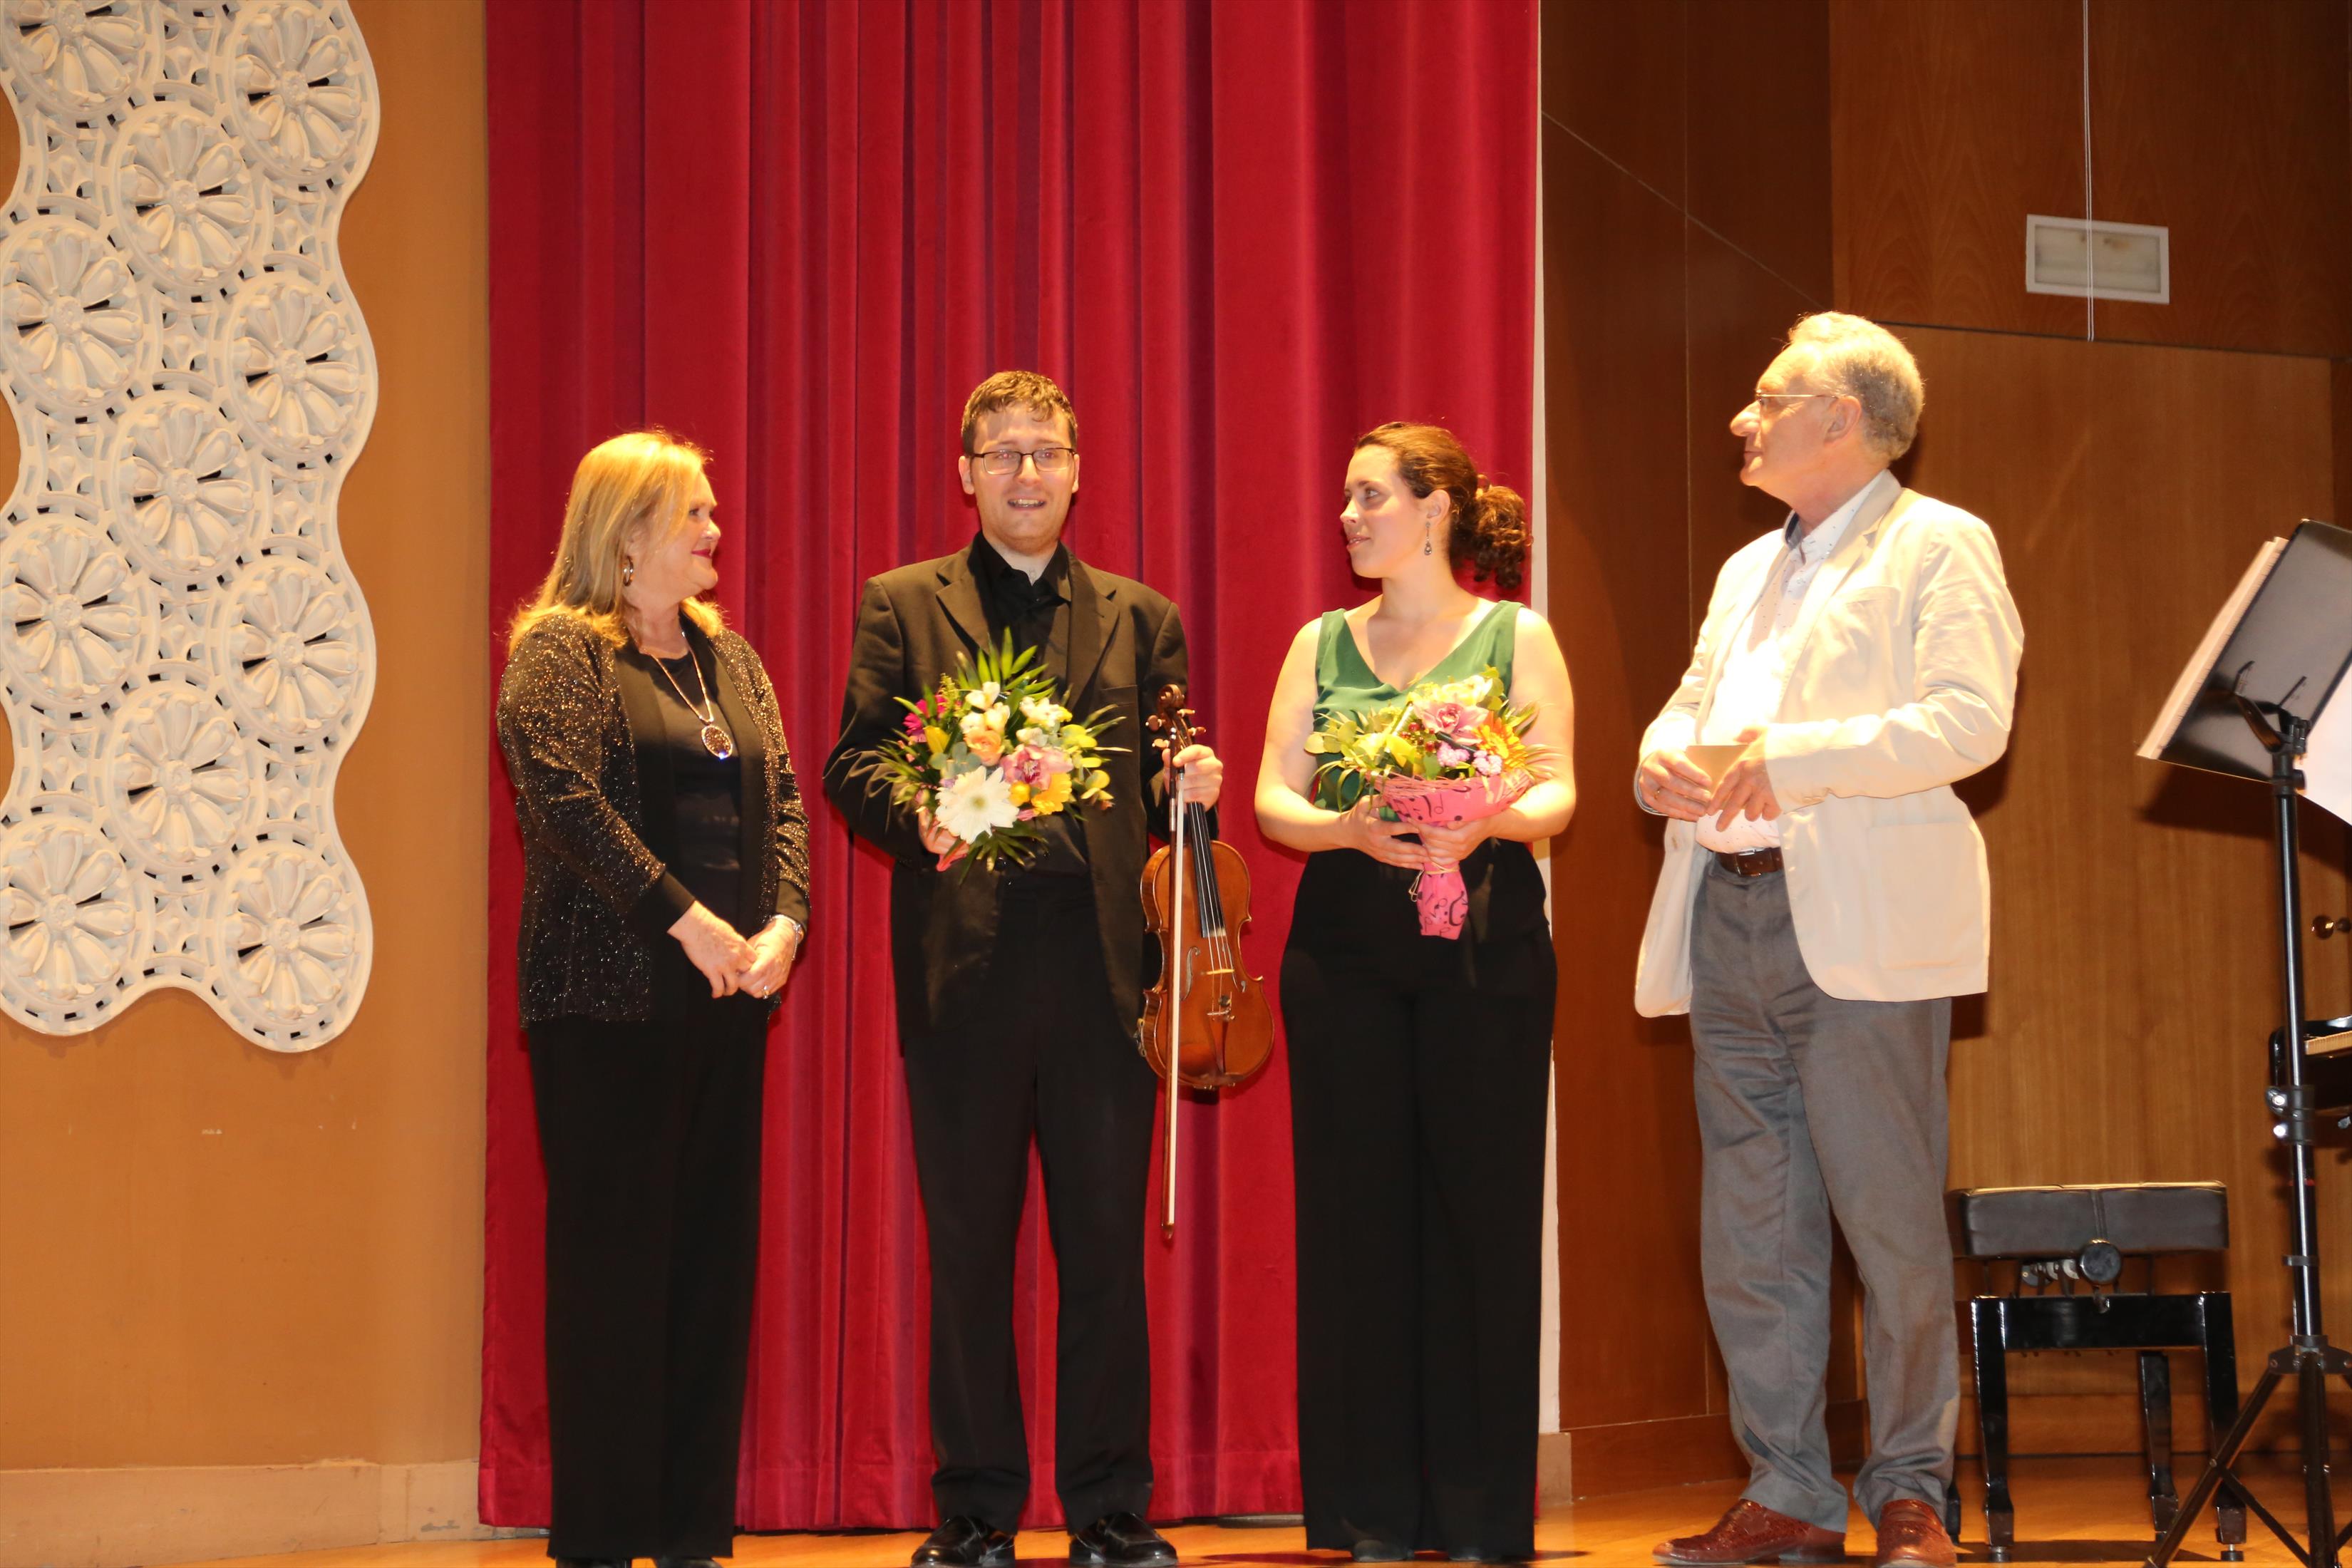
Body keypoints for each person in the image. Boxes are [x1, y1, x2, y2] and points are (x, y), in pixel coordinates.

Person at [1634, 314, 2022, 1568]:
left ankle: (1912, 1490)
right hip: (1729, 911)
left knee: (1889, 1220)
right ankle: (1791, 1490)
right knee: (1752, 1227)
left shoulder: (1939, 543)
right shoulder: (1748, 568)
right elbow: (1692, 706)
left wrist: (1792, 761)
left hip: (1859, 926)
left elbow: (1971, 721)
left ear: (1841, 418)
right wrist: (1658, 764)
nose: (1741, 420)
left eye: (1767, 399)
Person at [822, 371, 1223, 1568]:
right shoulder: (903, 604)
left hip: (1105, 971)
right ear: (966, 475)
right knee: (969, 1252)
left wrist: (1190, 787)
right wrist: (921, 814)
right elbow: (854, 763)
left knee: (1104, 1254)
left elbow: (1163, 783)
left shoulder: (1143, 618)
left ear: (1078, 470)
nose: (1026, 473)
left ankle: (1109, 1505)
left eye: (1046, 451)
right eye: (1002, 454)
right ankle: (975, 1508)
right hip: (968, 970)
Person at [1254, 421, 1577, 1564]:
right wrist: (1344, 828)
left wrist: (1482, 818)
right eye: (1347, 498)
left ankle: (1482, 1515)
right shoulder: (1318, 642)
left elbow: (1558, 790)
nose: (1348, 516)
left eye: (1370, 497)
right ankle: (1369, 1512)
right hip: (1343, 950)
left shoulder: (1515, 636)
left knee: (1480, 1218)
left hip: (1483, 946)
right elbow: (1273, 799)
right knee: (1358, 1222)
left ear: (1435, 509)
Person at [496, 430, 811, 1568]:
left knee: (708, 1269)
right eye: (696, 515)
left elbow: (785, 806)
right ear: (629, 532)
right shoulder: (559, 651)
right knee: (615, 1273)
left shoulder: (733, 660)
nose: (716, 531)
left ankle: (688, 1532)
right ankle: (603, 1535)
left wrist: (784, 926)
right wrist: (687, 920)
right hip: (606, 1009)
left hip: (726, 1003)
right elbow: (565, 804)